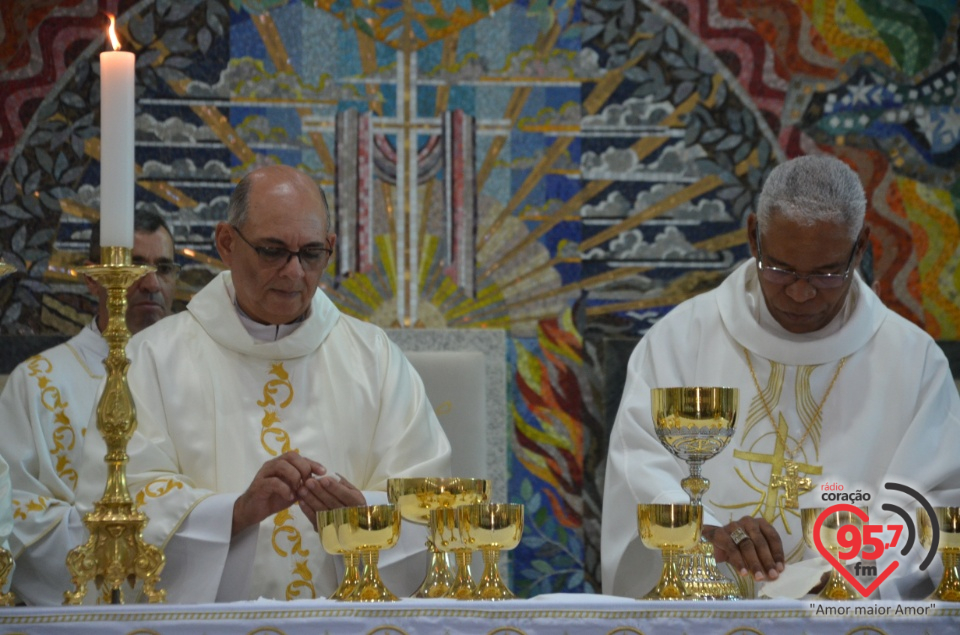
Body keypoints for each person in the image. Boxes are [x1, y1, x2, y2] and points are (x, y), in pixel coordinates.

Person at [76, 165, 452, 603]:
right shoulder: (153, 359)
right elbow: (114, 508)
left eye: (311, 253)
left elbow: (430, 506)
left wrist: (362, 522)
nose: (294, 273)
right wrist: (232, 515)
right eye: (273, 251)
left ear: (330, 248)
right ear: (227, 243)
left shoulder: (377, 361)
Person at [601, 155, 960, 599]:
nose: (801, 292)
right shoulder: (680, 340)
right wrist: (708, 533)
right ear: (754, 237)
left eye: (827, 273)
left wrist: (845, 577)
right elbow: (639, 467)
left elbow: (933, 508)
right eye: (781, 269)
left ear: (860, 247)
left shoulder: (913, 362)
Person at [0, 209, 178, 605]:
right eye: (133, 266)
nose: (151, 283)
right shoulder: (37, 382)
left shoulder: (198, 377)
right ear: (93, 276)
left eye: (163, 268)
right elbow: (16, 512)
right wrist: (121, 548)